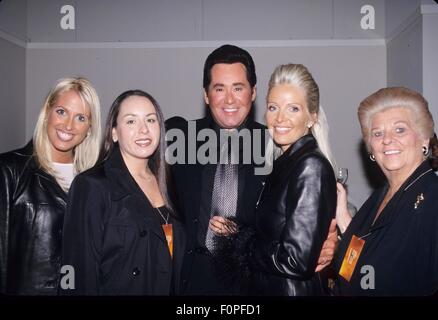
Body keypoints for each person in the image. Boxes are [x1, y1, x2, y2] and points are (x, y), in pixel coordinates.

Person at [166, 44, 337, 295]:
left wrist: (330, 240)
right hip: (191, 277)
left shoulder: (276, 144)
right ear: (206, 95)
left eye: (238, 88)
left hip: (253, 282)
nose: (229, 99)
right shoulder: (180, 138)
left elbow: (305, 212)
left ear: (253, 93)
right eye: (219, 89)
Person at [212, 64, 337, 296]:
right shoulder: (284, 162)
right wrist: (237, 229)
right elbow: (275, 233)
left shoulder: (310, 166)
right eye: (273, 107)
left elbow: (295, 260)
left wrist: (241, 239)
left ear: (312, 116)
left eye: (293, 109)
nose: (280, 118)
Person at [61, 90, 185, 295]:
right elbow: (77, 272)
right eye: (131, 122)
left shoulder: (170, 183)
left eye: (151, 120)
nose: (143, 129)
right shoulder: (92, 186)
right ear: (114, 132)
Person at [0, 77, 101, 295]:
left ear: (90, 128)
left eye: (81, 117)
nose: (68, 125)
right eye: (62, 112)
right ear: (47, 111)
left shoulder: (96, 182)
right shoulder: (10, 170)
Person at [334, 87, 438, 296]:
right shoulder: (381, 195)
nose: (387, 140)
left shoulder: (431, 200)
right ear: (371, 147)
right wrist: (343, 217)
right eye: (377, 133)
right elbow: (360, 257)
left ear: (424, 138)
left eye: (399, 129)